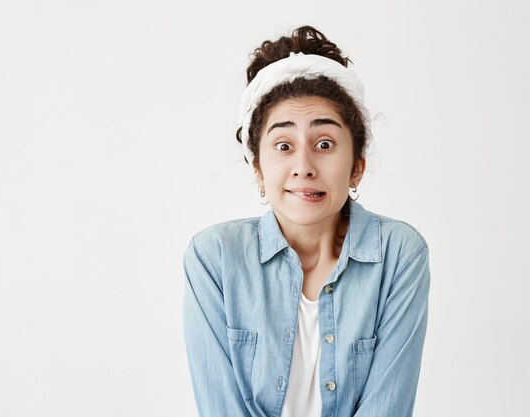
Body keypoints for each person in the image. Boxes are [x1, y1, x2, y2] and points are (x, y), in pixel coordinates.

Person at [182, 26, 431, 417]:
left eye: (325, 144)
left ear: (357, 167)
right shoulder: (213, 258)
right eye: (284, 146)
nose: (304, 167)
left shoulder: (399, 254)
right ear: (259, 169)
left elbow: (387, 406)